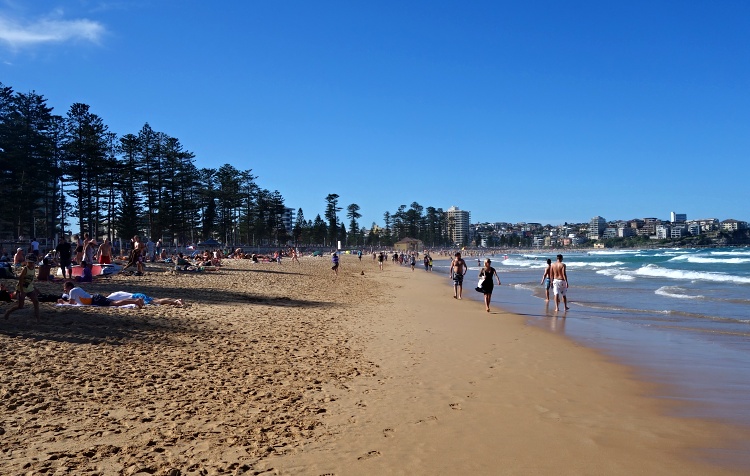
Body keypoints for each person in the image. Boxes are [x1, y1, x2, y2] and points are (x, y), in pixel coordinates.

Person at [3, 255, 40, 321]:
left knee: (36, 302)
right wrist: (22, 291)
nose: (31, 264)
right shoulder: (25, 269)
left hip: (29, 287)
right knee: (20, 306)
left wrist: (35, 288)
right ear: (27, 262)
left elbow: (30, 280)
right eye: (30, 263)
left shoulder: (33, 268)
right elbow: (21, 279)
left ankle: (37, 318)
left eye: (32, 263)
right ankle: (8, 312)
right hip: (22, 288)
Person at [58, 281, 144, 308]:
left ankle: (136, 301)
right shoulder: (77, 289)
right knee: (116, 301)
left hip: (95, 300)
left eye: (65, 288)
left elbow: (71, 303)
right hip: (95, 297)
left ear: (69, 287)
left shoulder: (72, 291)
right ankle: (136, 301)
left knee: (115, 303)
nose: (64, 290)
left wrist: (63, 302)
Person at [105, 291, 183, 306]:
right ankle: (175, 299)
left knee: (156, 302)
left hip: (136, 297)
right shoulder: (115, 293)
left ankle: (175, 302)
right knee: (156, 299)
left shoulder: (110, 298)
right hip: (137, 294)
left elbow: (118, 302)